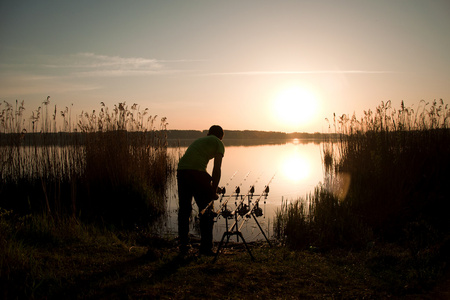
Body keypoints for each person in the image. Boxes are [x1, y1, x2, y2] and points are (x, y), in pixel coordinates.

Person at [177, 125, 225, 256]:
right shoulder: (218, 143)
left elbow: (197, 167)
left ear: (209, 133)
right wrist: (213, 191)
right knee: (207, 210)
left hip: (182, 172)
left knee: (184, 210)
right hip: (195, 173)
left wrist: (212, 186)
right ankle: (206, 248)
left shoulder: (199, 141)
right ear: (221, 136)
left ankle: (184, 246)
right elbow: (216, 169)